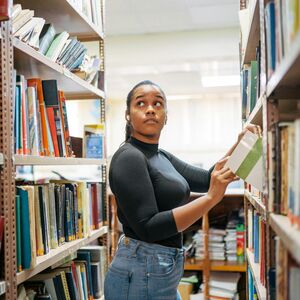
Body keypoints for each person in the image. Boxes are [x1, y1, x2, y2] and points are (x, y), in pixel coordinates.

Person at [104, 80, 258, 299]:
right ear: (128, 115)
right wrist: (212, 198)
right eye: (141, 103)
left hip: (161, 271)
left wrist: (242, 144)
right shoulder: (129, 157)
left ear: (166, 116)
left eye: (158, 104)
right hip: (140, 271)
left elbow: (206, 179)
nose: (150, 109)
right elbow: (149, 228)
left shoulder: (161, 156)